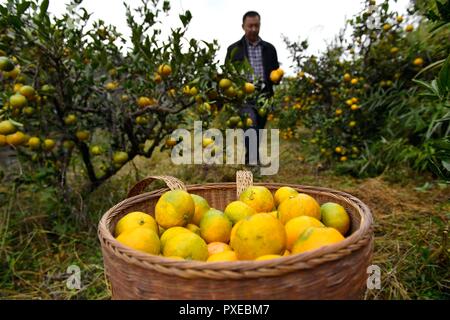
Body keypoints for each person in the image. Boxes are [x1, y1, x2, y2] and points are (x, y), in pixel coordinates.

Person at [225, 11, 281, 167]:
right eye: (250, 26)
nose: (253, 29)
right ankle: (252, 162)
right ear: (243, 26)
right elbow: (228, 73)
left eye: (256, 25)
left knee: (259, 128)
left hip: (264, 95)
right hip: (244, 95)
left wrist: (277, 78)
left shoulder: (270, 49)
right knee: (250, 124)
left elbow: (275, 72)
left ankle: (252, 157)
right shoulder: (234, 49)